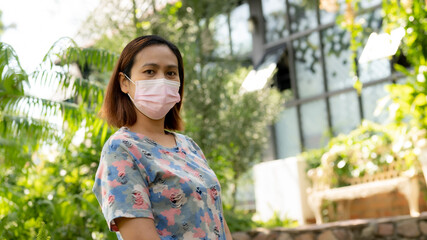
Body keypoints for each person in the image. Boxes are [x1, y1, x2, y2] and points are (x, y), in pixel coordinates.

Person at [92, 35, 233, 240]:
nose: (162, 80)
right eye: (150, 71)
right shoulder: (121, 149)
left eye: (171, 73)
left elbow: (218, 221)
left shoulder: (189, 146)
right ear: (124, 82)